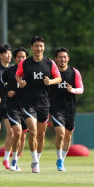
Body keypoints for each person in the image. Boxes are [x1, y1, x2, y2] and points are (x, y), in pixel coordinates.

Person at [15, 36, 62, 173]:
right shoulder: (25, 63)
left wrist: (51, 82)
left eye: (41, 46)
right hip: (29, 102)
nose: (39, 49)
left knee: (41, 134)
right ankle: (35, 162)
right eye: (36, 46)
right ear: (32, 47)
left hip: (44, 103)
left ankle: (38, 159)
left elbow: (58, 78)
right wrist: (20, 82)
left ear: (44, 47)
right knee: (33, 131)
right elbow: (18, 75)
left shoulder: (50, 63)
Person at [50, 47, 83, 171]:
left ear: (68, 58)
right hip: (55, 107)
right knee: (60, 133)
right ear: (56, 59)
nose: (63, 59)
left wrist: (72, 90)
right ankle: (59, 159)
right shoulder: (52, 73)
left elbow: (81, 88)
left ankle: (62, 160)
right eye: (60, 57)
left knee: (68, 136)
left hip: (70, 108)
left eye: (65, 57)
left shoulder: (74, 72)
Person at [1, 47, 29, 171]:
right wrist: (8, 92)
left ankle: (16, 161)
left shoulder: (31, 71)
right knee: (17, 132)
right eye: (19, 57)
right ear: (15, 58)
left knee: (23, 135)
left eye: (23, 57)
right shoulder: (9, 71)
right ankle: (12, 161)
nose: (21, 59)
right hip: (13, 107)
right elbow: (1, 84)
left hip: (28, 107)